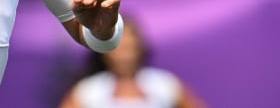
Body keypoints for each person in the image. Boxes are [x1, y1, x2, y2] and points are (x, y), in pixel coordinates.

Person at [58, 16, 206, 108]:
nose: (126, 54)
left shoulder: (165, 84)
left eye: (130, 46)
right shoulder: (88, 91)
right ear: (104, 51)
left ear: (140, 47)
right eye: (120, 47)